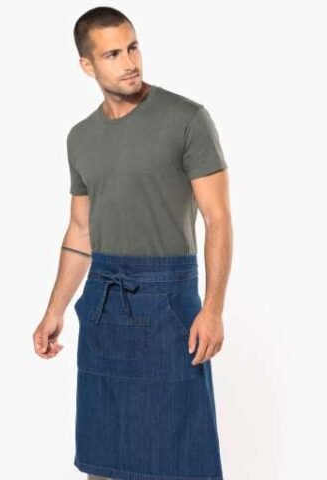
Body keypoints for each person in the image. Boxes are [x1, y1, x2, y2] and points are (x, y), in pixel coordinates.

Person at [33, 6, 232, 480]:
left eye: (133, 47)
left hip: (169, 302)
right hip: (104, 303)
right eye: (113, 54)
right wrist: (55, 309)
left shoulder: (187, 118)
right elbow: (80, 230)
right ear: (87, 65)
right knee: (106, 456)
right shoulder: (80, 137)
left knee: (179, 453)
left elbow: (218, 218)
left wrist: (213, 308)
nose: (129, 63)